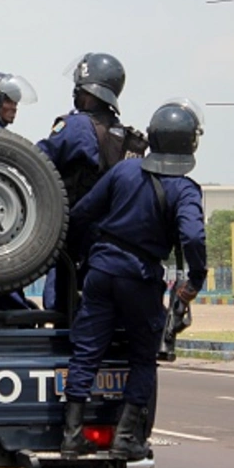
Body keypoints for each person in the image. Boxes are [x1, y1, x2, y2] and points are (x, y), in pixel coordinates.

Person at [59, 99, 207, 461]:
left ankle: (71, 437)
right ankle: (125, 437)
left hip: (101, 272)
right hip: (139, 279)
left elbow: (80, 214)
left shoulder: (124, 172)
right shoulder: (185, 189)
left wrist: (78, 261)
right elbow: (192, 237)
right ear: (190, 144)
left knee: (86, 352)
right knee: (143, 358)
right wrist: (195, 279)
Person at [36, 52, 146, 310]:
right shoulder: (127, 136)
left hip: (73, 233)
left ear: (86, 90)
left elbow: (35, 159)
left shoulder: (75, 127)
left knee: (61, 305)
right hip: (113, 240)